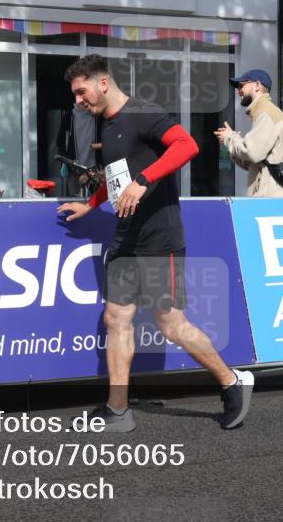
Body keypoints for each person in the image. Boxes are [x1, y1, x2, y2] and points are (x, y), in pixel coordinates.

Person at [57, 54, 254, 432]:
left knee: (171, 324)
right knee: (116, 319)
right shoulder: (107, 124)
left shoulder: (142, 113)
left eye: (81, 92)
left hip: (158, 237)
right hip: (124, 237)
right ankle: (117, 410)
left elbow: (187, 145)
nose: (78, 100)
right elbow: (119, 179)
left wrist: (144, 180)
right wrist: (91, 204)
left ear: (102, 83)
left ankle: (231, 382)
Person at [215, 69, 283, 197]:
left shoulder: (265, 112)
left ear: (257, 86)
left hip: (273, 199)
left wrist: (230, 137)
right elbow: (254, 163)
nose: (238, 90)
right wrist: (232, 142)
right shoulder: (266, 111)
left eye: (241, 85)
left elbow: (252, 153)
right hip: (277, 196)